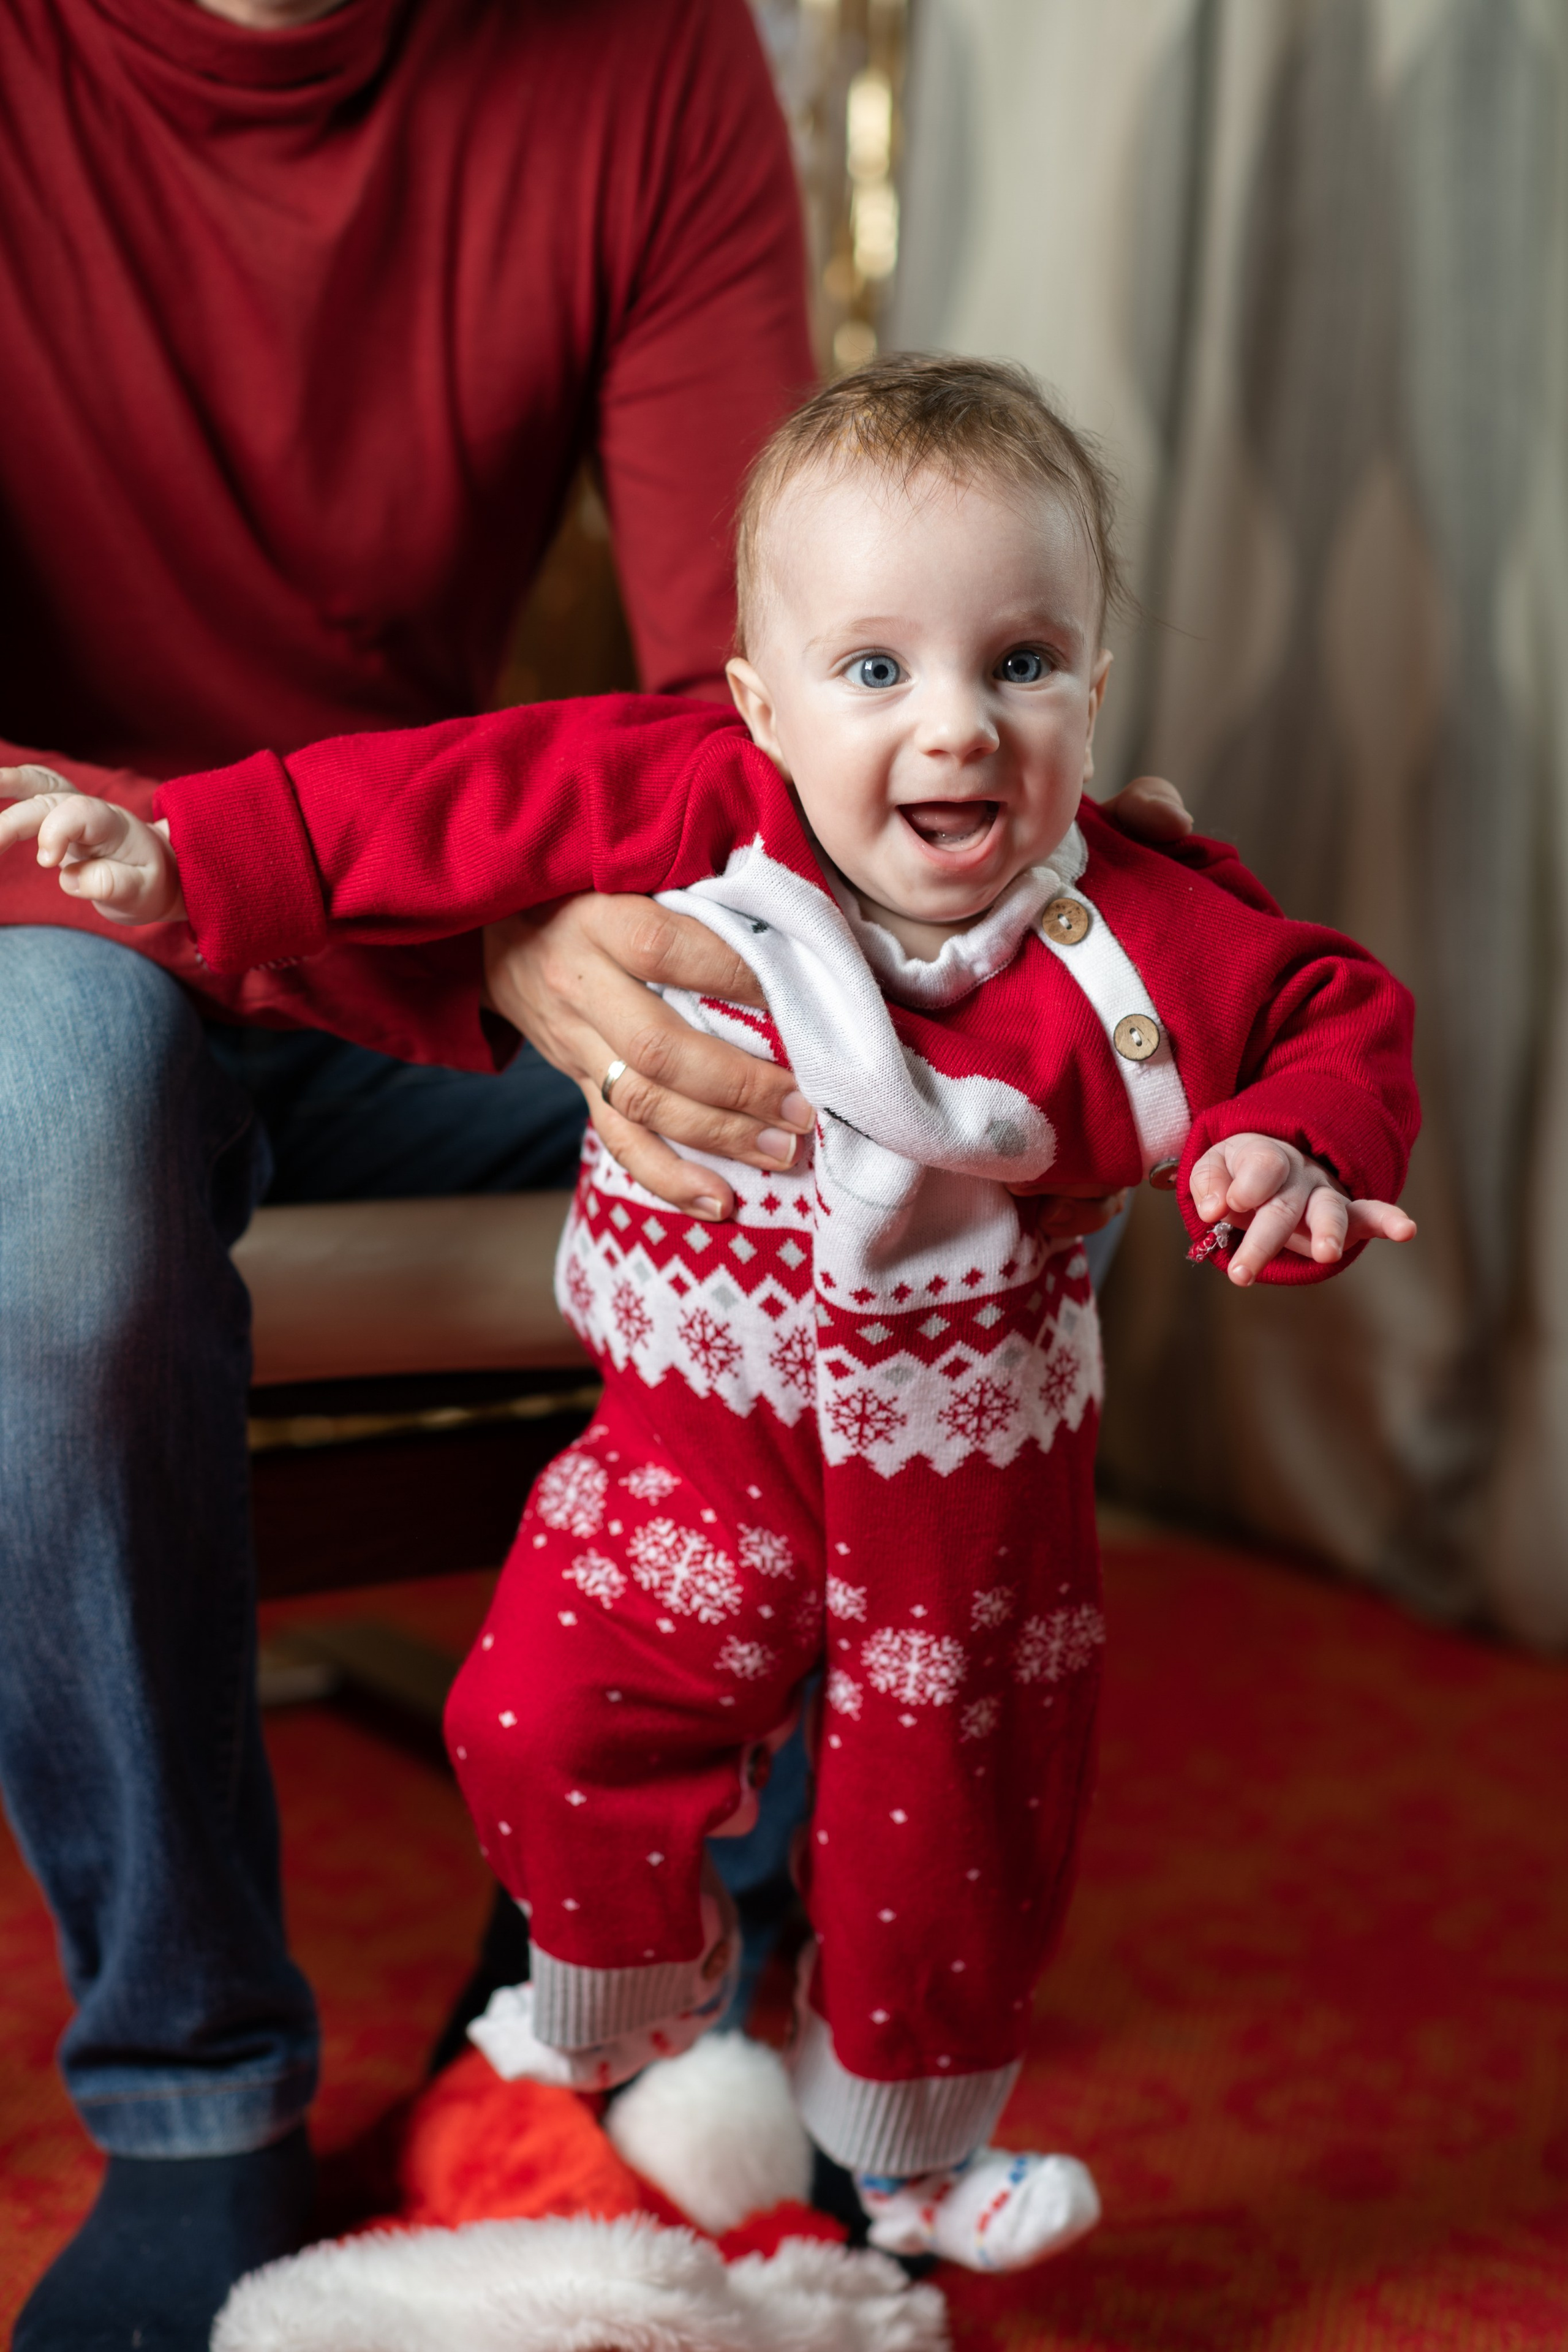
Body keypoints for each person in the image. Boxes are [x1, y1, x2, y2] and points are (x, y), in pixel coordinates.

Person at [0, 5, 1192, 2340]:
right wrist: (444, 921)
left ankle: (632, 2002)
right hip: (63, 915)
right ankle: (194, 2101)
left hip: (454, 906)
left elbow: (756, 675)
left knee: (970, 1095)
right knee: (50, 1152)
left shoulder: (645, 54)